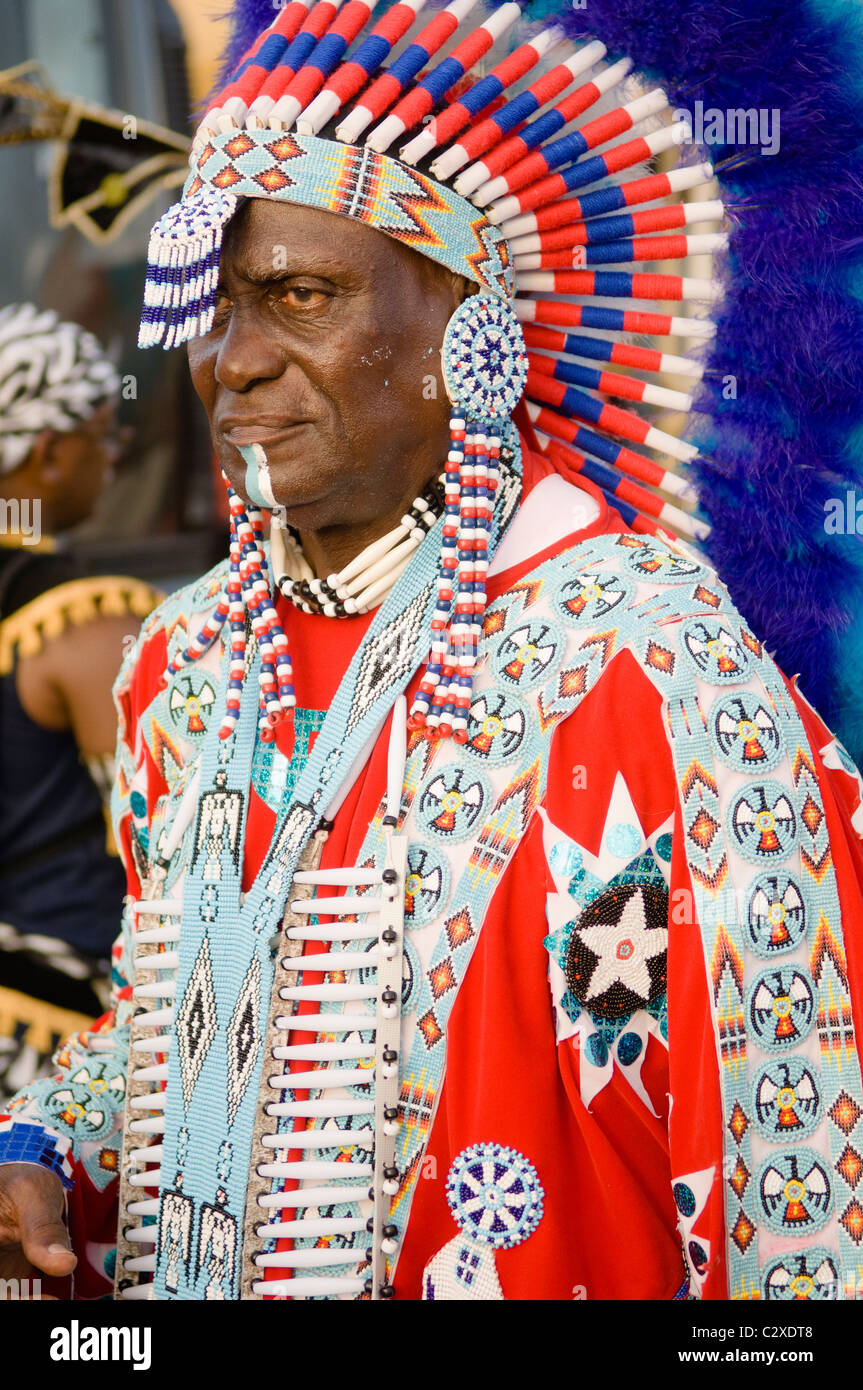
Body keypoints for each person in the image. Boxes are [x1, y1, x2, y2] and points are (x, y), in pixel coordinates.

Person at [1, 0, 863, 1303]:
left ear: (466, 324)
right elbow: (191, 1014)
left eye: (300, 295)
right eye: (211, 306)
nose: (232, 361)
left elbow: (796, 1178)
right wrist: (49, 1146)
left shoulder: (653, 673)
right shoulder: (182, 665)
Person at [0, 304, 159, 1096]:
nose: (115, 456)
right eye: (106, 435)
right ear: (51, 452)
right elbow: (152, 847)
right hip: (52, 1042)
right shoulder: (92, 616)